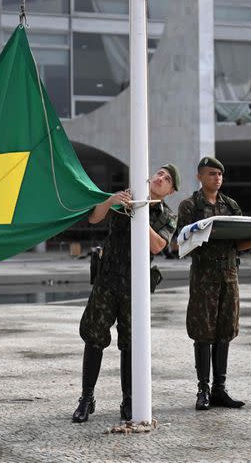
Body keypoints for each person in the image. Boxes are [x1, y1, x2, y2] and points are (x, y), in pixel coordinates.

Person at [72, 164, 179, 423]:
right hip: (107, 279)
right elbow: (94, 218)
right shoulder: (125, 197)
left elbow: (157, 246)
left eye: (167, 179)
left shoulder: (167, 215)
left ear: (171, 190)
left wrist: (138, 214)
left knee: (130, 344)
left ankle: (129, 401)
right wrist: (111, 201)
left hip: (136, 285)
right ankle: (87, 398)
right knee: (94, 337)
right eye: (159, 174)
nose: (161, 178)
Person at [177, 157, 251, 411]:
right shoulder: (190, 206)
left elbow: (238, 244)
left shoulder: (230, 205)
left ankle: (219, 391)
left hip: (229, 277)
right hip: (204, 279)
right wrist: (202, 234)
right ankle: (202, 390)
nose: (217, 178)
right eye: (212, 174)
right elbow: (180, 243)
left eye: (220, 174)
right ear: (200, 177)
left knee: (225, 332)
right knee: (203, 333)